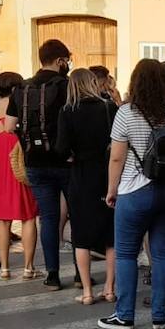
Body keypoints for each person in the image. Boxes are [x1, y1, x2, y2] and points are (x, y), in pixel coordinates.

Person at [100, 58, 165, 329]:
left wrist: (111, 190)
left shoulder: (126, 113)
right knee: (163, 251)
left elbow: (116, 158)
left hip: (135, 190)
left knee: (127, 253)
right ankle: (159, 314)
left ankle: (125, 315)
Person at [6, 39, 72, 290]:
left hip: (34, 162)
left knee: (48, 217)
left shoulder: (21, 88)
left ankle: (52, 274)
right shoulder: (66, 85)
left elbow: (10, 125)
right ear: (60, 61)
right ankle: (80, 273)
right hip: (65, 161)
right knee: (74, 214)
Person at [57, 68, 118, 305]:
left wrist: (72, 155)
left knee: (81, 235)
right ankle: (110, 288)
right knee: (110, 236)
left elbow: (61, 148)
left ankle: (86, 292)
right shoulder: (108, 107)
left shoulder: (67, 111)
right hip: (107, 174)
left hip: (81, 175)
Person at [0, 71, 38, 280]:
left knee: (2, 219)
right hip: (21, 167)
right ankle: (28, 267)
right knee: (28, 217)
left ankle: (4, 267)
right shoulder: (22, 110)